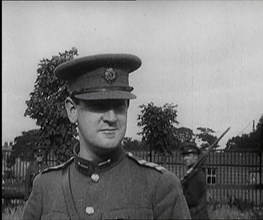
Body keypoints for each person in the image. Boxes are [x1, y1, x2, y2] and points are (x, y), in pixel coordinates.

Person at [22, 53, 191, 219]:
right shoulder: (46, 187)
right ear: (72, 110)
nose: (111, 118)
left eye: (119, 106)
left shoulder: (159, 186)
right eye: (99, 106)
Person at [180, 143, 209, 219]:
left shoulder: (197, 175)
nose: (185, 158)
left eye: (188, 155)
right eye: (184, 156)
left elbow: (192, 199)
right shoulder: (191, 174)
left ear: (196, 157)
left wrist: (177, 195)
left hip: (197, 216)